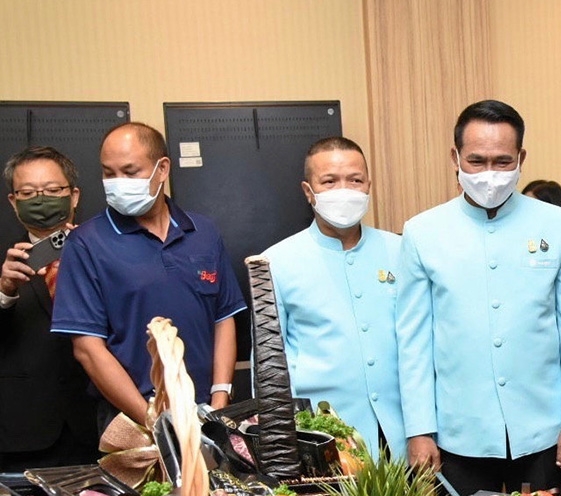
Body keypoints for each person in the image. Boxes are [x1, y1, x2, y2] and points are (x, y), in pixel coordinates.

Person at [398, 100, 561, 496]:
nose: (489, 174)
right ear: (455, 158)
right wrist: (419, 430)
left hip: (543, 430)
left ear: (521, 158)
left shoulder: (558, 225)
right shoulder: (422, 232)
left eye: (503, 162)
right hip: (458, 433)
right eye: (476, 161)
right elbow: (413, 342)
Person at [52, 122, 246, 427]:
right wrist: (152, 420)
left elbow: (223, 317)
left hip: (206, 411)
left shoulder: (204, 232)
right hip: (132, 418)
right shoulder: (86, 243)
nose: (118, 183)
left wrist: (220, 396)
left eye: (130, 172)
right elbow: (88, 349)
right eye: (109, 173)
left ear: (162, 168)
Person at [262, 137, 405, 458]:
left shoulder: (399, 250)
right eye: (329, 181)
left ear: (369, 186)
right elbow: (271, 364)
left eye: (355, 180)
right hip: (322, 437)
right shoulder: (277, 262)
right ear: (308, 191)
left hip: (400, 432)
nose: (344, 190)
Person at [1, 147, 98, 471]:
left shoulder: (104, 252)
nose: (41, 200)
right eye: (28, 193)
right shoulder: (5, 262)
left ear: (73, 196)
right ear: (13, 201)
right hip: (22, 432)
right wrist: (4, 290)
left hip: (97, 427)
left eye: (53, 190)